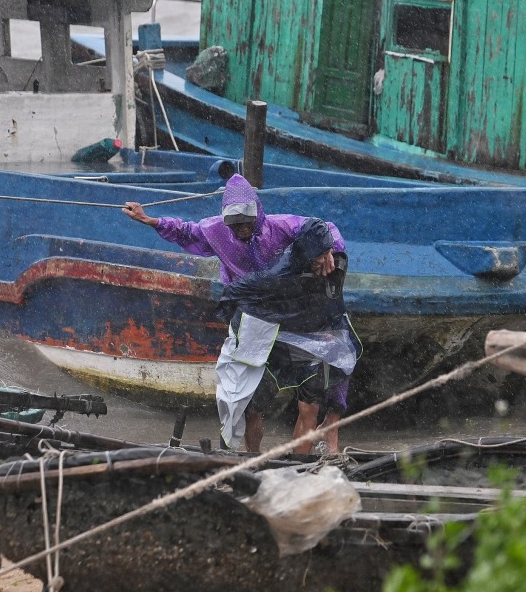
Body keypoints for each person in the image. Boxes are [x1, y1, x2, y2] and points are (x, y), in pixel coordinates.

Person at [122, 174, 357, 454]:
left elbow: (324, 228)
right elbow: (187, 232)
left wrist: (327, 248)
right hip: (252, 321)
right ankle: (250, 459)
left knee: (311, 400)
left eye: (247, 222)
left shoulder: (281, 227)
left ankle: (304, 462)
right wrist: (151, 221)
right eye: (236, 224)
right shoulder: (217, 232)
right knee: (247, 402)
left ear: (257, 215)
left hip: (293, 316)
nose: (243, 229)